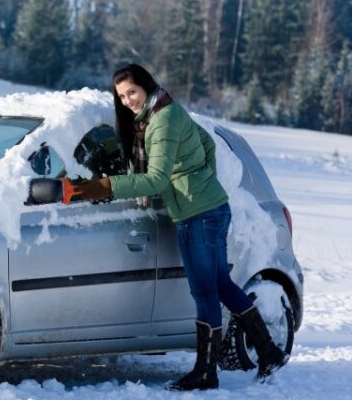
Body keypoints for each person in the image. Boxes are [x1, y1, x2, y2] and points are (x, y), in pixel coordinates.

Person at [61, 63, 288, 390]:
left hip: (200, 215)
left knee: (205, 290)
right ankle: (268, 352)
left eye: (132, 93)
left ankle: (206, 373)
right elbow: (207, 147)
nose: (127, 101)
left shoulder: (161, 122)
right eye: (122, 96)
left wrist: (101, 186)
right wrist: (199, 180)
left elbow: (155, 180)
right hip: (206, 209)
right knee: (221, 285)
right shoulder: (167, 109)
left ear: (146, 86)